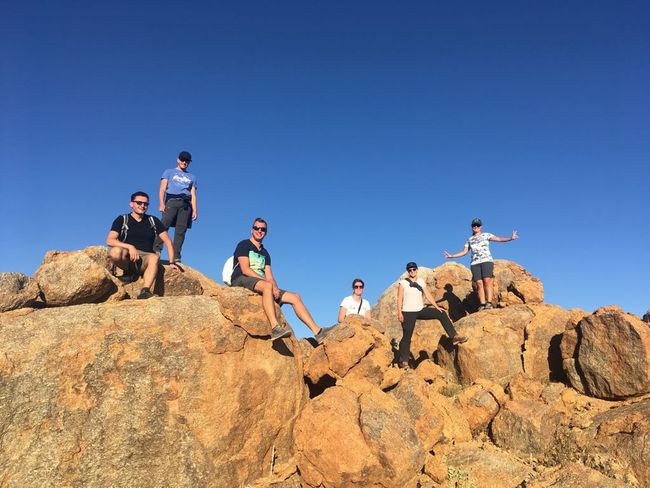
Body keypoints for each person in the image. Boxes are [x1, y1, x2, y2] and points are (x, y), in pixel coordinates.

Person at [230, 218, 335, 342]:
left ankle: (318, 332)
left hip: (261, 282)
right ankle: (275, 328)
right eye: (257, 228)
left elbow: (269, 276)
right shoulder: (244, 244)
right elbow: (245, 269)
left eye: (263, 229)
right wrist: (269, 284)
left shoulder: (265, 253)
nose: (259, 231)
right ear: (251, 230)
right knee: (268, 286)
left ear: (266, 232)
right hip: (241, 279)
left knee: (295, 297)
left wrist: (275, 288)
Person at [106, 191, 180, 299]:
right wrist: (130, 247)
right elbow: (110, 240)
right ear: (131, 204)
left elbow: (168, 241)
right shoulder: (122, 219)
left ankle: (145, 291)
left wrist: (172, 262)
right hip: (128, 256)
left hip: (145, 258)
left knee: (154, 257)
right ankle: (128, 273)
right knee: (115, 252)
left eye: (145, 204)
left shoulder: (152, 220)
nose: (142, 206)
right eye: (139, 203)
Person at [396, 262, 468, 369]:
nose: (412, 271)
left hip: (420, 310)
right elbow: (399, 298)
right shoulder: (403, 283)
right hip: (408, 312)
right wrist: (399, 312)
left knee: (441, 313)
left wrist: (436, 306)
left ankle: (454, 336)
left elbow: (428, 294)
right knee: (407, 337)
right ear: (408, 271)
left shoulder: (420, 281)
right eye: (410, 270)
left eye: (414, 269)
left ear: (417, 270)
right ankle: (404, 361)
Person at [444, 218, 518, 310]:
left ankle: (489, 303)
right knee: (479, 283)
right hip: (475, 263)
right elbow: (464, 251)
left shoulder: (486, 235)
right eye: (474, 225)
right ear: (471, 227)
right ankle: (482, 304)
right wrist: (452, 256)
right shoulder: (469, 239)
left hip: (486, 261)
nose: (476, 227)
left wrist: (510, 238)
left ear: (481, 227)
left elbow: (498, 239)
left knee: (487, 280)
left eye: (477, 225)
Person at [153, 150, 198, 263]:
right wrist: (161, 203)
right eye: (182, 160)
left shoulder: (192, 177)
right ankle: (156, 250)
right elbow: (162, 188)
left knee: (180, 231)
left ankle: (176, 256)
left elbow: (193, 194)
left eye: (187, 161)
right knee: (163, 226)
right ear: (178, 159)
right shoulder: (169, 172)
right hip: (172, 201)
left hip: (186, 205)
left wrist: (195, 209)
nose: (184, 162)